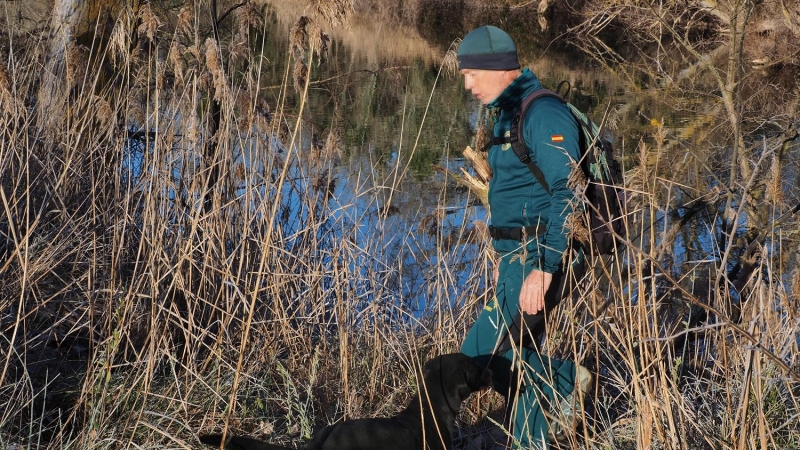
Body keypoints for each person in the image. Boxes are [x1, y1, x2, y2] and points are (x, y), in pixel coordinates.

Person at [456, 25, 592, 449]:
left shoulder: (542, 113)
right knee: (481, 353)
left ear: (499, 69)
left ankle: (554, 401)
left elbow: (569, 190)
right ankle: (565, 384)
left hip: (540, 255)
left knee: (506, 357)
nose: (468, 83)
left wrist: (545, 268)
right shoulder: (511, 113)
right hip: (519, 256)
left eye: (473, 72)